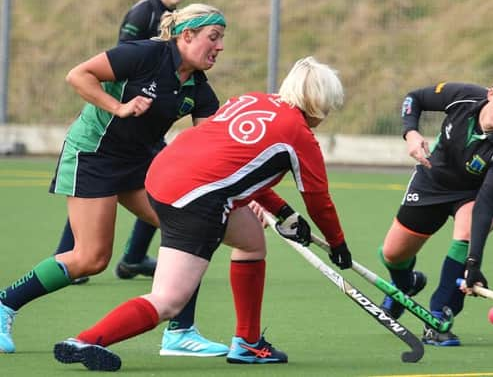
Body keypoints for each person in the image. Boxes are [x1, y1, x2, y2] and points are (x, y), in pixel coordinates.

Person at [52, 56, 353, 371]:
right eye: (329, 106)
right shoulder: (299, 134)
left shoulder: (251, 100)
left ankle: (248, 343)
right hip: (196, 199)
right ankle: (85, 341)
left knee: (251, 240)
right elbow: (319, 201)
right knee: (169, 300)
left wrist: (284, 213)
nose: (328, 113)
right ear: (318, 102)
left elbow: (234, 166)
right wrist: (338, 245)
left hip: (161, 179)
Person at [0, 4, 229, 357]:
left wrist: (248, 193)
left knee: (189, 228)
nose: (220, 47)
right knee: (90, 258)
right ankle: (5, 305)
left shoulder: (198, 89)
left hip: (139, 162)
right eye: (213, 38)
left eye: (222, 39)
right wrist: (118, 106)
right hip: (95, 154)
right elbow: (78, 75)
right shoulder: (146, 54)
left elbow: (213, 150)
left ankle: (180, 332)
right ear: (187, 36)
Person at [54, 0, 192, 282]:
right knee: (96, 194)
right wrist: (116, 107)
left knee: (162, 189)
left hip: (146, 126)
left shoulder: (181, 19)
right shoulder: (144, 13)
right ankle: (70, 258)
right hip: (119, 124)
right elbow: (122, 66)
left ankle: (131, 257)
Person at [378, 66, 493, 346]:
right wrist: (410, 133)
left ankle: (439, 315)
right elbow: (414, 98)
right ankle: (405, 284)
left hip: (476, 193)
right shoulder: (463, 97)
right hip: (433, 178)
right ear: (491, 93)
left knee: (466, 230)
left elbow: (485, 206)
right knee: (392, 253)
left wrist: (473, 263)